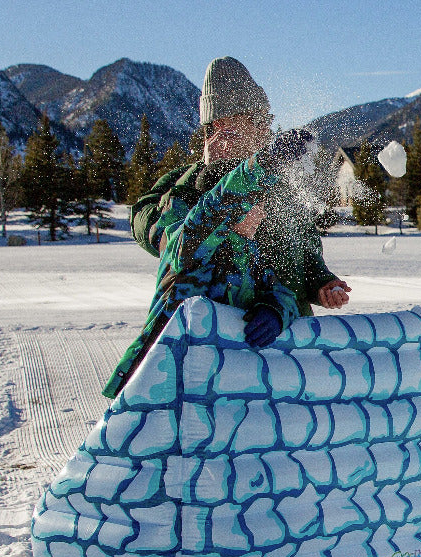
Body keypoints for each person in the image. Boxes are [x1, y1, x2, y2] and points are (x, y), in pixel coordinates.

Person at [131, 56, 352, 317]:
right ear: (221, 126)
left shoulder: (280, 184)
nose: (266, 128)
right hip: (220, 335)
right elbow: (168, 242)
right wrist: (211, 178)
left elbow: (304, 247)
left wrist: (320, 283)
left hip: (291, 330)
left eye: (266, 119)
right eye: (256, 120)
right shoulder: (181, 183)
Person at [102, 149, 301, 399]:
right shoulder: (190, 245)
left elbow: (283, 294)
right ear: (235, 209)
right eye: (256, 205)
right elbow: (213, 209)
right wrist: (260, 166)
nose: (261, 214)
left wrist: (274, 309)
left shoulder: (249, 253)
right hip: (161, 382)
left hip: (214, 383)